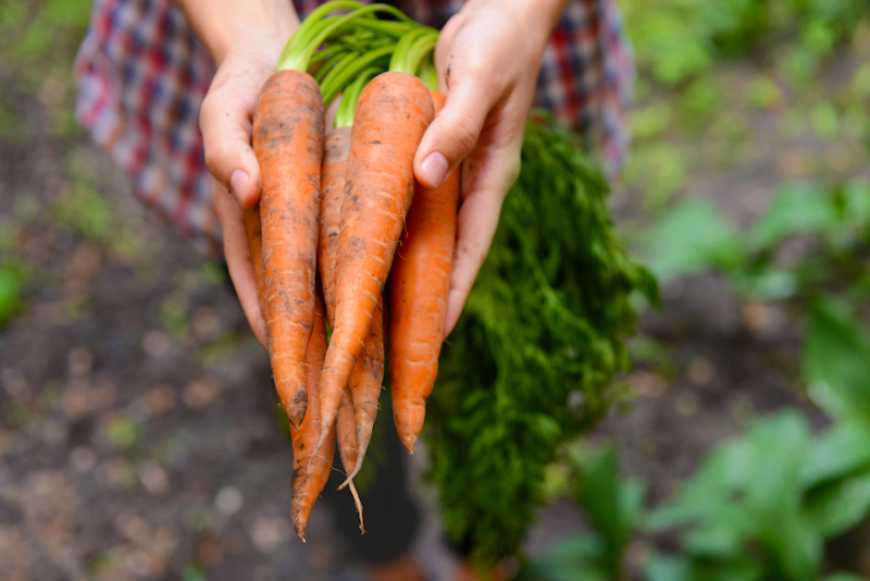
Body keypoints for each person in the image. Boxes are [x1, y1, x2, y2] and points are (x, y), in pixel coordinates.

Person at [75, 1, 633, 579]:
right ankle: (385, 555)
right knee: (308, 344)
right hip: (247, 48)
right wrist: (245, 32)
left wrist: (522, 16)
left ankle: (483, 554)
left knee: (492, 369)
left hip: (498, 47)